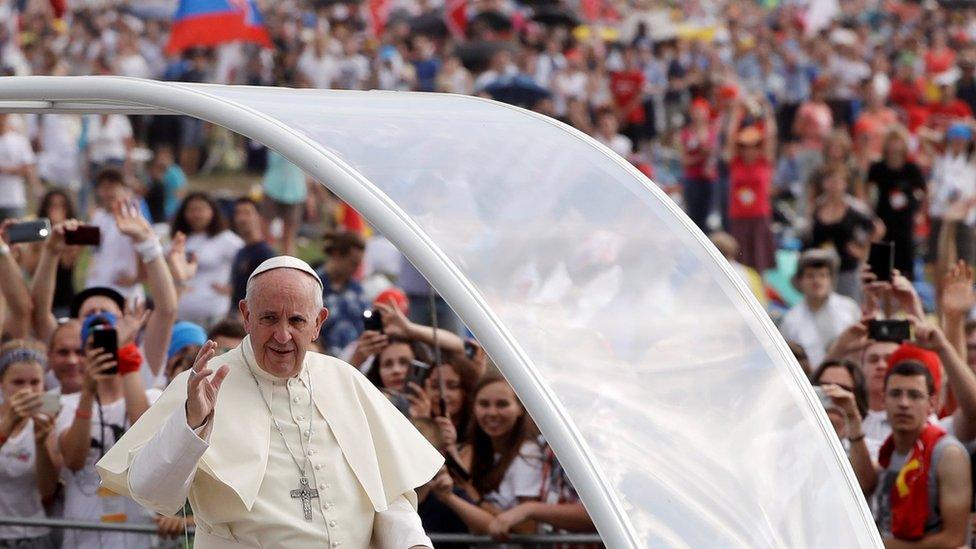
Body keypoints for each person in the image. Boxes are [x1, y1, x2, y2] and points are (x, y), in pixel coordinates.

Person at [97, 256, 443, 548]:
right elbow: (151, 493)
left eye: (296, 320)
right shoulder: (202, 384)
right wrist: (191, 423)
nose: (282, 335)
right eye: (268, 318)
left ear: (318, 323)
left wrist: (411, 543)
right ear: (246, 315)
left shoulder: (345, 381)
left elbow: (386, 491)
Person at [53, 312, 158, 549]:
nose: (104, 350)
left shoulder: (150, 397)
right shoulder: (68, 404)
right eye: (93, 346)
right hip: (84, 538)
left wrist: (127, 352)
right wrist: (88, 393)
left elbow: (145, 440)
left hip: (136, 537)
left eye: (112, 342)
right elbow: (73, 459)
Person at [842, 354, 971, 545]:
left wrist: (882, 545)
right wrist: (853, 420)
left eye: (914, 395)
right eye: (895, 394)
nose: (904, 403)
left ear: (932, 405)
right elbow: (865, 483)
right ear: (883, 400)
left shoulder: (948, 454)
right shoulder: (889, 449)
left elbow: (954, 539)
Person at [433, 374, 545, 537]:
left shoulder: (527, 454)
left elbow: (527, 527)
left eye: (502, 404)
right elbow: (463, 483)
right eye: (484, 404)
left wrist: (478, 501)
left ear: (520, 408)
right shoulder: (480, 448)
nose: (492, 412)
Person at [0, 340, 58, 549]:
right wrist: (6, 428)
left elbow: (47, 490)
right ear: (2, 383)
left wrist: (40, 443)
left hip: (33, 532)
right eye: (18, 382)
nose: (27, 390)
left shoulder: (46, 422)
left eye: (35, 382)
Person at [806, 165, 879, 301]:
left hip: (846, 268)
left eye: (838, 181)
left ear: (844, 184)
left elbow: (878, 228)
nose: (833, 185)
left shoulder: (853, 207)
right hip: (821, 269)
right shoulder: (817, 206)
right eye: (829, 180)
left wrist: (864, 251)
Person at [171, 192, 244, 326]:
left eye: (201, 209)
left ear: (213, 212)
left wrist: (235, 289)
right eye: (191, 210)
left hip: (213, 313)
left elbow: (248, 263)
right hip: (180, 313)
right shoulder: (179, 239)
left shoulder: (225, 239)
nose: (196, 214)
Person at [778, 249, 861, 367]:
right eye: (810, 276)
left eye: (823, 275)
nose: (817, 281)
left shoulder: (849, 308)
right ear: (800, 281)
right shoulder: (790, 319)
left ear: (831, 280)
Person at [723, 98, 777, 273]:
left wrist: (767, 111)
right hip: (739, 216)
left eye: (753, 145)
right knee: (739, 263)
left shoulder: (764, 162)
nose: (749, 149)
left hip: (759, 216)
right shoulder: (735, 162)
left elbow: (770, 135)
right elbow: (730, 137)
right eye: (745, 146)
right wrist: (736, 112)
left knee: (759, 262)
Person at [866, 128, 926, 278]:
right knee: (881, 268)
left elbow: (924, 191)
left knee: (904, 265)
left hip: (905, 221)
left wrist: (921, 213)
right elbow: (868, 190)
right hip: (883, 218)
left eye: (898, 141)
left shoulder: (911, 169)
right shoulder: (877, 168)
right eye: (891, 141)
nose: (894, 146)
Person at [317, 230, 368, 356]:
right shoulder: (314, 285)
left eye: (358, 265)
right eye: (352, 263)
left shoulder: (357, 290)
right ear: (337, 255)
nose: (356, 269)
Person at [680, 98, 719, 231]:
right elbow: (685, 160)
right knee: (693, 214)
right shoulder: (687, 133)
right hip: (692, 178)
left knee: (707, 215)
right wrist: (701, 155)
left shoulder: (712, 131)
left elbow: (711, 151)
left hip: (708, 179)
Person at [229, 197, 275, 309]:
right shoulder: (241, 252)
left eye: (247, 213)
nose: (242, 218)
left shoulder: (265, 253)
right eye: (238, 213)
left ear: (259, 217)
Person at [262, 150, 308, 256]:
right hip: (273, 186)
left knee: (289, 235)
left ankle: (287, 264)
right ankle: (266, 258)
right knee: (265, 231)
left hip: (295, 190)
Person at [0, 113, 37, 222]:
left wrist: (4, 170)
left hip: (14, 200)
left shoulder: (19, 140)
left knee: (16, 237)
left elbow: (28, 168)